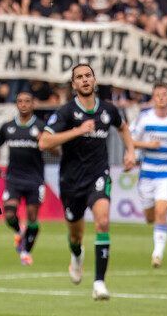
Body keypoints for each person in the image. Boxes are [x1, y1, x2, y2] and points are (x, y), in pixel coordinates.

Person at [39, 63, 135, 300]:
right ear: (73, 84)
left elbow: (123, 128)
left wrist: (130, 151)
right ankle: (76, 255)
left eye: (88, 76)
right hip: (71, 181)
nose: (84, 80)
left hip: (98, 175)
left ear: (94, 80)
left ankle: (99, 283)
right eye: (79, 77)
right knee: (76, 236)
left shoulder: (108, 110)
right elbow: (44, 142)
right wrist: (77, 131)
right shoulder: (66, 112)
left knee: (102, 221)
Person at [129, 83, 167, 268]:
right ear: (153, 98)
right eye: (157, 95)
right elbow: (131, 141)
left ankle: (157, 254)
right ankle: (157, 234)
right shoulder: (144, 119)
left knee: (162, 212)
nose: (161, 98)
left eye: (164, 95)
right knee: (150, 217)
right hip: (147, 173)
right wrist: (148, 145)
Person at [0, 92, 50, 266]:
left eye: (27, 101)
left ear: (33, 104)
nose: (23, 104)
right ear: (16, 104)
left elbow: (56, 151)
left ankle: (25, 251)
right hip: (13, 179)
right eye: (20, 101)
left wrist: (45, 142)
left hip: (34, 179)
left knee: (32, 217)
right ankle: (19, 230)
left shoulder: (41, 127)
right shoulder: (7, 127)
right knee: (9, 215)